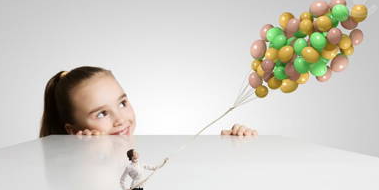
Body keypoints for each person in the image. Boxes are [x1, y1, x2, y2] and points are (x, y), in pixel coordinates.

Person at [39, 66, 258, 137]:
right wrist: (84, 155)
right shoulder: (78, 171)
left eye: (122, 103)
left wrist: (231, 147)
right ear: (72, 130)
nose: (120, 119)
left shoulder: (139, 153)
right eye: (101, 114)